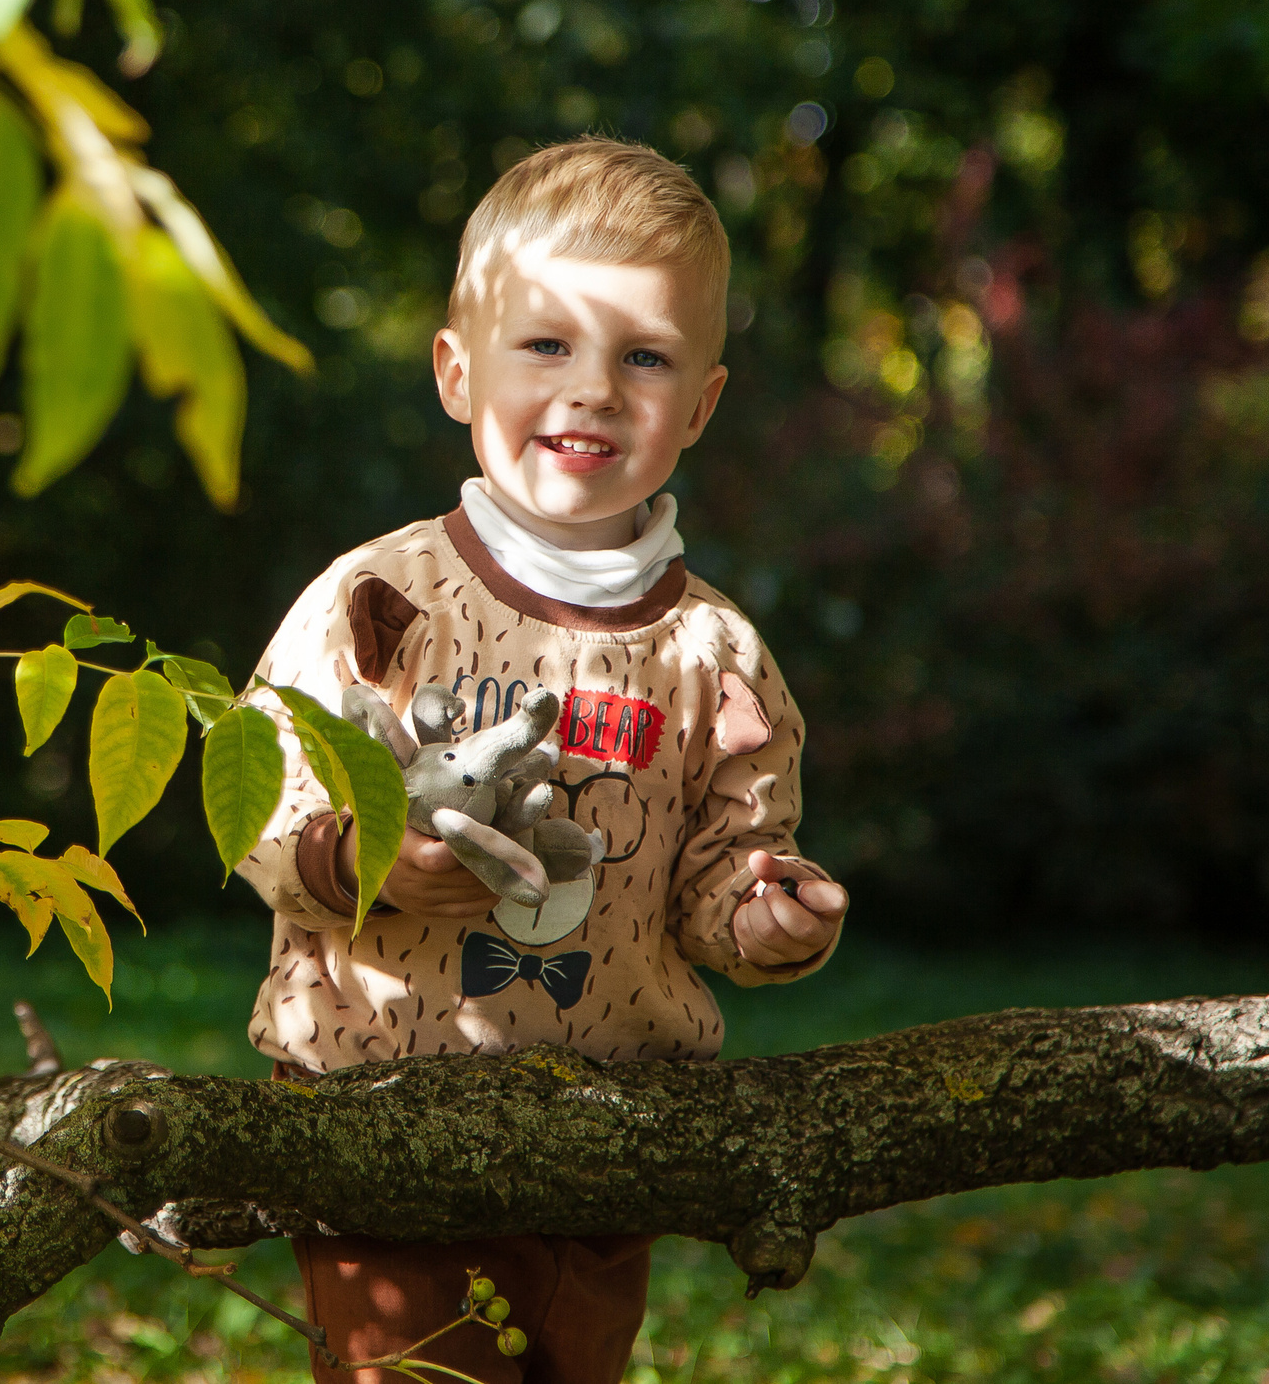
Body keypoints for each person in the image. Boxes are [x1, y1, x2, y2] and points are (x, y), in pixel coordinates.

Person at [236, 136, 849, 1384]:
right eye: (547, 345)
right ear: (458, 371)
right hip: (381, 1119)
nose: (593, 390)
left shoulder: (711, 651)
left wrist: (765, 913)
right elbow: (255, 796)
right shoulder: (380, 599)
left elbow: (727, 861)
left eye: (643, 357)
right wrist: (361, 857)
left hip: (606, 1140)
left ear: (701, 402)